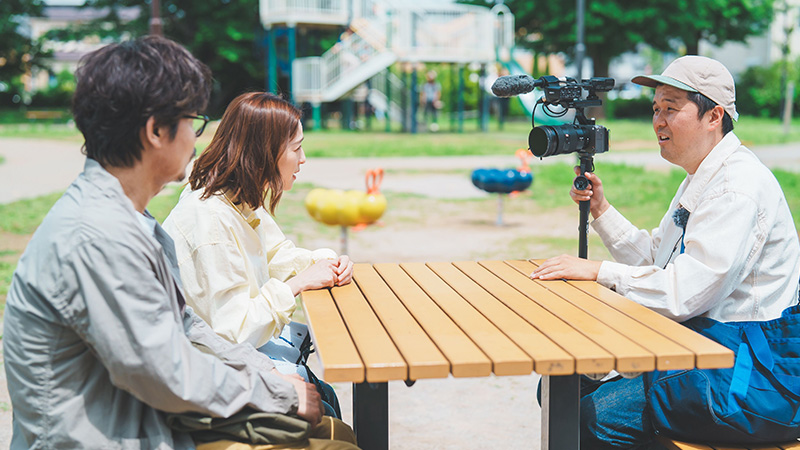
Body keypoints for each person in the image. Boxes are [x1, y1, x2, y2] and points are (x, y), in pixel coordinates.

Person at [3, 36, 358, 450]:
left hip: (145, 422)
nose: (198, 137)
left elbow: (188, 328)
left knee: (335, 433)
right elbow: (164, 372)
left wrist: (268, 375)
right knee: (334, 442)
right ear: (156, 131)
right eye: (194, 122)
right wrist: (277, 391)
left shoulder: (128, 220)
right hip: (114, 438)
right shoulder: (97, 237)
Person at [531, 55, 800, 448]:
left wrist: (600, 272)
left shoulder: (736, 187)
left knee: (594, 417)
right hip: (699, 347)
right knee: (560, 386)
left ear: (714, 116)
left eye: (671, 109)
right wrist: (601, 211)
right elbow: (658, 260)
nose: (658, 120)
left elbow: (684, 292)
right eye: (655, 109)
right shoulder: (704, 174)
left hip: (745, 372)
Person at [162, 92, 353, 418]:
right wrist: (298, 284)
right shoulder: (211, 219)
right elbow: (235, 329)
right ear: (266, 153)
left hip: (229, 356)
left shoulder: (236, 198)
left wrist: (325, 263)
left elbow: (276, 256)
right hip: (215, 372)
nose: (303, 159)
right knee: (324, 405)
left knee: (326, 396)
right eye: (296, 148)